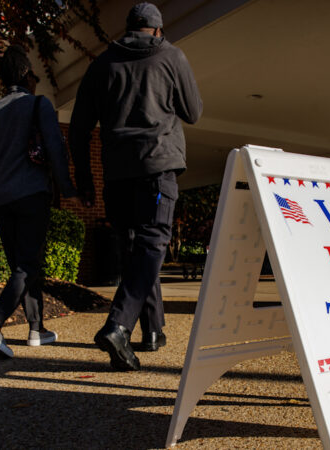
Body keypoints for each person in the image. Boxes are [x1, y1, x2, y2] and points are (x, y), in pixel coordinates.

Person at [69, 2, 202, 371]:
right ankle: (118, 325)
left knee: (136, 250)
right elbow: (193, 111)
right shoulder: (172, 56)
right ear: (158, 30)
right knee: (153, 244)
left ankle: (154, 329)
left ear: (128, 29)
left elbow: (78, 131)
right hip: (157, 168)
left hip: (116, 174)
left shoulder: (100, 66)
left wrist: (85, 179)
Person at [0, 44, 81, 358]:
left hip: (1, 196)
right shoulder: (39, 105)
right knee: (28, 264)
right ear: (26, 75)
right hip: (31, 193)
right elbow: (56, 152)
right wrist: (69, 189)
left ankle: (37, 329)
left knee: (22, 265)